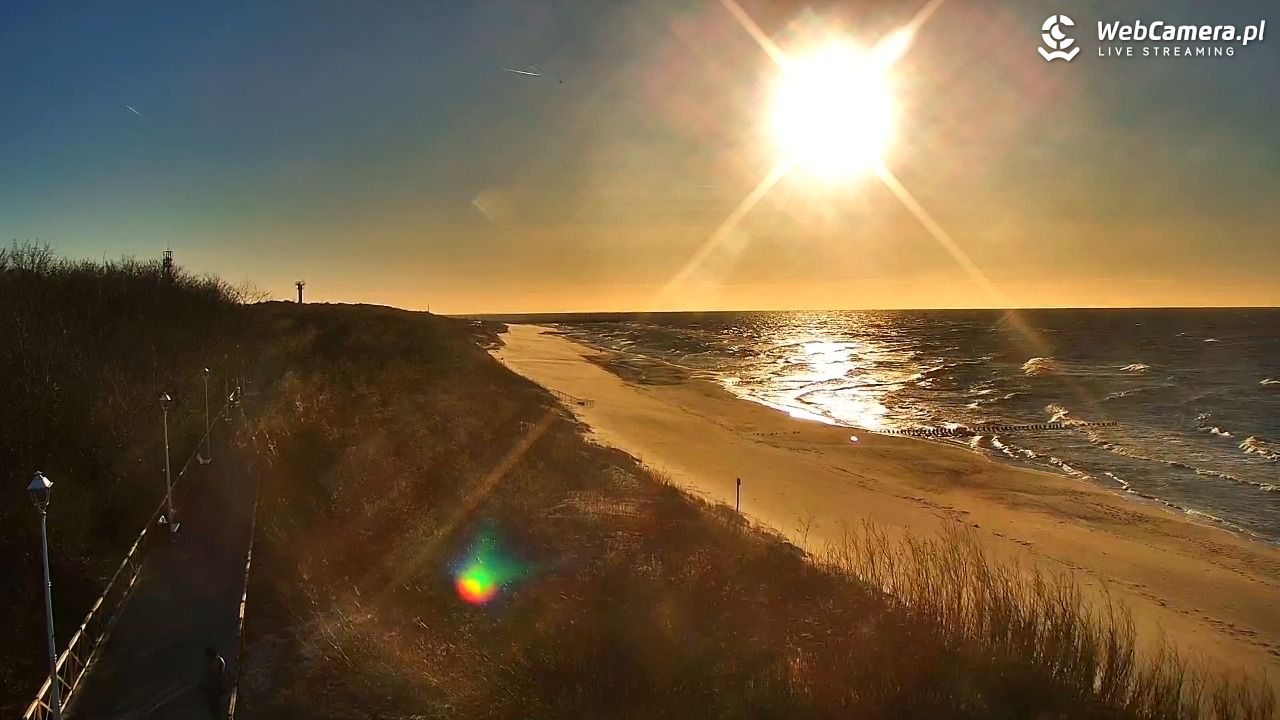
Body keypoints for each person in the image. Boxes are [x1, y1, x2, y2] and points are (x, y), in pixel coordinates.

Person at [202, 646, 227, 718]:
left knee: (214, 703)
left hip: (216, 686)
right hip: (217, 685)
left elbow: (214, 674)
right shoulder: (216, 660)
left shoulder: (215, 661)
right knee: (215, 703)